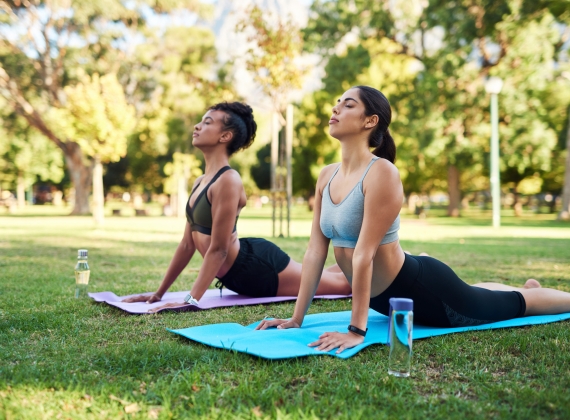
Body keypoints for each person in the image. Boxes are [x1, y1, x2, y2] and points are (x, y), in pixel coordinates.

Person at [256, 86, 570, 353]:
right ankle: (521, 286)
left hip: (421, 291)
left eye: (348, 104)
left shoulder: (381, 173)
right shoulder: (327, 175)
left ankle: (535, 292)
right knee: (476, 292)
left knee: (513, 305)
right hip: (382, 300)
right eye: (337, 102)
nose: (336, 108)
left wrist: (356, 330)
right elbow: (314, 252)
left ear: (370, 121)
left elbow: (365, 254)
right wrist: (296, 318)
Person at [123, 102, 351, 308]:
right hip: (239, 275)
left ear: (225, 136)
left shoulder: (228, 180)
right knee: (331, 277)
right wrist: (158, 293)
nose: (197, 126)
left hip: (257, 269)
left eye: (207, 122)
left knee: (343, 286)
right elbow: (186, 245)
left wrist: (190, 301)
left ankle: (373, 264)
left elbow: (219, 249)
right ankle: (357, 264)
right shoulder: (200, 182)